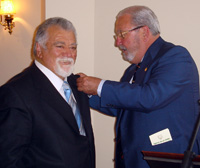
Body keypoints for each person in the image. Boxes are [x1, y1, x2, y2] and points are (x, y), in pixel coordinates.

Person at [77, 5, 200, 168]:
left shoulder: (176, 57)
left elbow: (149, 97)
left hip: (166, 161)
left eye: (121, 34)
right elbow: (120, 106)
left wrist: (100, 85)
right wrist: (84, 93)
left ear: (144, 31)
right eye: (116, 36)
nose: (117, 42)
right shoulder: (132, 70)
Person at [0, 17, 95, 168]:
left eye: (73, 47)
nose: (68, 54)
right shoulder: (15, 94)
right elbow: (7, 161)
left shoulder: (77, 84)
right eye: (60, 46)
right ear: (39, 49)